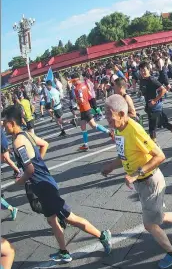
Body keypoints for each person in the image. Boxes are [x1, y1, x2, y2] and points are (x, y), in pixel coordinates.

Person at [101, 94, 172, 269]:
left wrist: (135, 174)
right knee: (159, 217)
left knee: (150, 224)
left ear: (120, 113)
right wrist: (111, 166)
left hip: (149, 181)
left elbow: (160, 155)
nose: (107, 119)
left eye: (109, 114)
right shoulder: (120, 129)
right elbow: (125, 154)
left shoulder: (134, 130)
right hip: (142, 184)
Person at [1, 105, 112, 263]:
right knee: (52, 220)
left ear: (12, 122)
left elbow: (30, 170)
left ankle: (102, 235)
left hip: (44, 187)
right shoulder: (26, 135)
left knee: (70, 218)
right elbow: (44, 144)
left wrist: (20, 180)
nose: (3, 126)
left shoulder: (19, 142)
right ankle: (64, 252)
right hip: (43, 184)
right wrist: (39, 163)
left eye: (4, 122)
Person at [138, 62, 172, 147]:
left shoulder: (151, 79)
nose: (142, 72)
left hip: (155, 107)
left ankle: (155, 148)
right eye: (141, 70)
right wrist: (141, 94)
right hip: (150, 107)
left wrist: (154, 100)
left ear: (148, 70)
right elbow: (144, 91)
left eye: (144, 70)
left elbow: (163, 90)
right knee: (165, 123)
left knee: (152, 128)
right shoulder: (142, 80)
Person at [71, 74, 113, 151]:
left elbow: (81, 100)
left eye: (73, 81)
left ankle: (109, 132)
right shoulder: (84, 85)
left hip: (84, 109)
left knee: (93, 125)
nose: (72, 83)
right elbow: (90, 94)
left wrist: (76, 102)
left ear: (75, 80)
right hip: (85, 108)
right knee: (83, 127)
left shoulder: (77, 88)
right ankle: (86, 145)